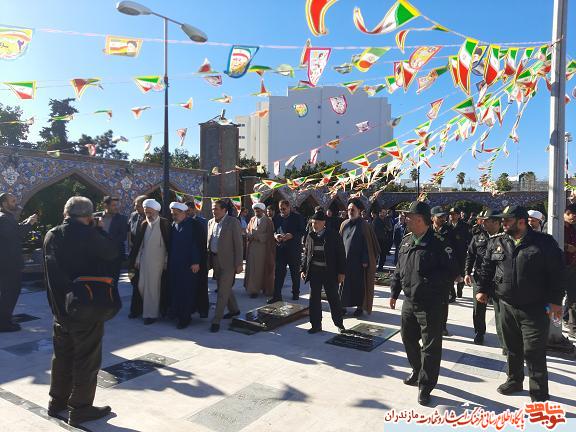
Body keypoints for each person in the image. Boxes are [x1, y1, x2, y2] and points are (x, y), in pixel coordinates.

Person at [476, 206, 565, 402]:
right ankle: (514, 380)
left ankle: (539, 394)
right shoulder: (497, 242)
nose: (503, 223)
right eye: (503, 220)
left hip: (535, 308)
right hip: (506, 305)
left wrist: (555, 303)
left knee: (534, 352)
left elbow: (557, 274)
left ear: (521, 222)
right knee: (512, 347)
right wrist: (481, 289)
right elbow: (487, 268)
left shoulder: (544, 243)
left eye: (507, 220)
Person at [43, 197, 118, 426]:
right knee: (86, 360)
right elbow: (113, 253)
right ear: (87, 216)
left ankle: (57, 402)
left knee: (62, 357)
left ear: (66, 213)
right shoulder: (89, 234)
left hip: (60, 308)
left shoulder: (52, 235)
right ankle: (81, 409)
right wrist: (100, 230)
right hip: (86, 308)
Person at [389, 201, 458, 406]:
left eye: (408, 217)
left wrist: (430, 286)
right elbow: (399, 269)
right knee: (407, 338)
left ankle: (426, 386)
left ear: (419, 219)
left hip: (431, 303)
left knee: (430, 346)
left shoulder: (439, 243)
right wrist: (394, 292)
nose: (405, 219)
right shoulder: (406, 240)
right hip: (409, 301)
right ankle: (417, 369)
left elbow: (451, 273)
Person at [301, 209, 346, 334]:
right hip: (314, 272)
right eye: (312, 223)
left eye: (316, 223)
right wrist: (303, 269)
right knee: (314, 299)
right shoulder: (310, 236)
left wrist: (341, 272)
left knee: (333, 298)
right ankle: (316, 325)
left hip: (329, 272)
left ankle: (339, 324)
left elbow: (341, 255)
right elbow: (306, 254)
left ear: (323, 223)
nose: (314, 225)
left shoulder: (333, 235)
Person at [464, 209, 503, 346]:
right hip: (480, 277)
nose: (483, 223)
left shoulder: (505, 238)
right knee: (479, 308)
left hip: (498, 279)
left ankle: (503, 338)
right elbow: (470, 255)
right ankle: (479, 332)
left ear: (496, 222)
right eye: (483, 221)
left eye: (486, 221)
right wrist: (467, 272)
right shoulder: (477, 237)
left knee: (500, 310)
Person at [128, 199, 171, 325]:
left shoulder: (164, 223)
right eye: (146, 212)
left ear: (156, 211)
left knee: (153, 288)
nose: (148, 214)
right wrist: (137, 259)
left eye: (150, 212)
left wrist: (166, 261)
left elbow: (169, 244)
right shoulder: (144, 224)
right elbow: (140, 244)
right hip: (144, 261)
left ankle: (151, 315)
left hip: (159, 262)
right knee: (141, 286)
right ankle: (146, 309)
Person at [0, 192, 37, 332]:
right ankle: (4, 323)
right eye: (13, 201)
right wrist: (29, 223)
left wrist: (26, 222)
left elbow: (14, 231)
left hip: (8, 263)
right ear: (4, 203)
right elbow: (16, 235)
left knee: (9, 293)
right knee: (9, 293)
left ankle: (5, 320)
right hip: (8, 264)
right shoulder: (3, 218)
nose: (16, 203)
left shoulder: (6, 217)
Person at [339, 198, 380, 316]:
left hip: (359, 263)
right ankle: (342, 306)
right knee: (343, 285)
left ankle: (360, 307)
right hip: (345, 262)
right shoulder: (344, 224)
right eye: (349, 209)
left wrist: (365, 259)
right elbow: (339, 242)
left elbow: (369, 245)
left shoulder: (364, 225)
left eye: (353, 209)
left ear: (359, 210)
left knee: (358, 286)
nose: (350, 212)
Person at [207, 199, 244, 333]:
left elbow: (238, 244)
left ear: (224, 210)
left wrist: (239, 263)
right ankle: (234, 310)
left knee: (222, 291)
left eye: (216, 209)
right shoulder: (210, 222)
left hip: (229, 262)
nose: (214, 211)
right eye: (212, 209)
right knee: (224, 287)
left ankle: (216, 320)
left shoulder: (233, 222)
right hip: (215, 260)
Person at [168, 202, 202, 329]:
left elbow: (195, 244)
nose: (174, 217)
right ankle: (176, 313)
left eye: (176, 214)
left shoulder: (192, 225)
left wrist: (195, 262)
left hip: (188, 265)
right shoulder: (174, 225)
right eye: (172, 214)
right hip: (175, 264)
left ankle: (185, 318)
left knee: (186, 291)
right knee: (176, 290)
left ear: (183, 213)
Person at [269, 200, 305, 303]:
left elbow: (302, 231)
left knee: (294, 273)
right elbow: (273, 231)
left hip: (293, 249)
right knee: (279, 273)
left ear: (289, 207)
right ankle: (277, 295)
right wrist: (276, 236)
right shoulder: (277, 218)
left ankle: (295, 293)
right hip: (281, 249)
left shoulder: (297, 217)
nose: (282, 211)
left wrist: (292, 235)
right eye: (280, 209)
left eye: (284, 209)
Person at [431, 206, 456, 336]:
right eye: (440, 217)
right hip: (429, 271)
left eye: (444, 216)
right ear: (432, 218)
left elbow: (457, 251)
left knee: (443, 301)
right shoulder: (427, 230)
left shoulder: (450, 231)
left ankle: (442, 326)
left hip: (445, 272)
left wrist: (457, 272)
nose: (443, 219)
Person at [94, 196, 128, 288]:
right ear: (105, 205)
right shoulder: (95, 217)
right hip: (98, 257)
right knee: (99, 284)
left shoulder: (122, 219)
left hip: (115, 257)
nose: (116, 207)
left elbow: (123, 236)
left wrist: (106, 243)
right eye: (113, 205)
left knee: (113, 283)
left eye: (117, 205)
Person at [244, 203, 275, 298]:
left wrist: (258, 237)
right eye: (255, 211)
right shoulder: (252, 219)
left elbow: (270, 235)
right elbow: (247, 230)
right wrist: (249, 235)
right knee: (252, 270)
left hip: (263, 250)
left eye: (258, 211)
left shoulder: (268, 221)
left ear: (263, 211)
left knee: (261, 270)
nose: (256, 212)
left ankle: (264, 288)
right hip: (252, 248)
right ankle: (253, 290)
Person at [186, 201, 209, 318]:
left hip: (201, 256)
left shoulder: (202, 222)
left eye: (189, 210)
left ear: (194, 210)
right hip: (188, 259)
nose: (187, 212)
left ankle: (202, 309)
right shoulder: (183, 222)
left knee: (201, 284)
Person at [128, 195, 147, 319]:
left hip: (144, 253)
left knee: (140, 282)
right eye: (135, 205)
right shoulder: (134, 215)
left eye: (138, 206)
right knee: (132, 277)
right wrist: (129, 240)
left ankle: (136, 309)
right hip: (133, 252)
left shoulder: (150, 218)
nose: (136, 208)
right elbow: (129, 229)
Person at [447, 207, 471, 300]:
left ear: (458, 215)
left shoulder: (465, 226)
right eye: (450, 214)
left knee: (461, 273)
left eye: (454, 214)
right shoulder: (447, 226)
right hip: (449, 254)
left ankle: (460, 287)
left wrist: (469, 251)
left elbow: (469, 240)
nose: (451, 216)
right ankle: (452, 294)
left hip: (461, 254)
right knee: (449, 274)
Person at [563, 204, 576, 339]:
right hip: (559, 267)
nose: (574, 217)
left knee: (573, 298)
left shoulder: (573, 228)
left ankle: (573, 327)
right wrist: (566, 246)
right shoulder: (555, 225)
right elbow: (550, 242)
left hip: (572, 267)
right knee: (554, 298)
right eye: (571, 214)